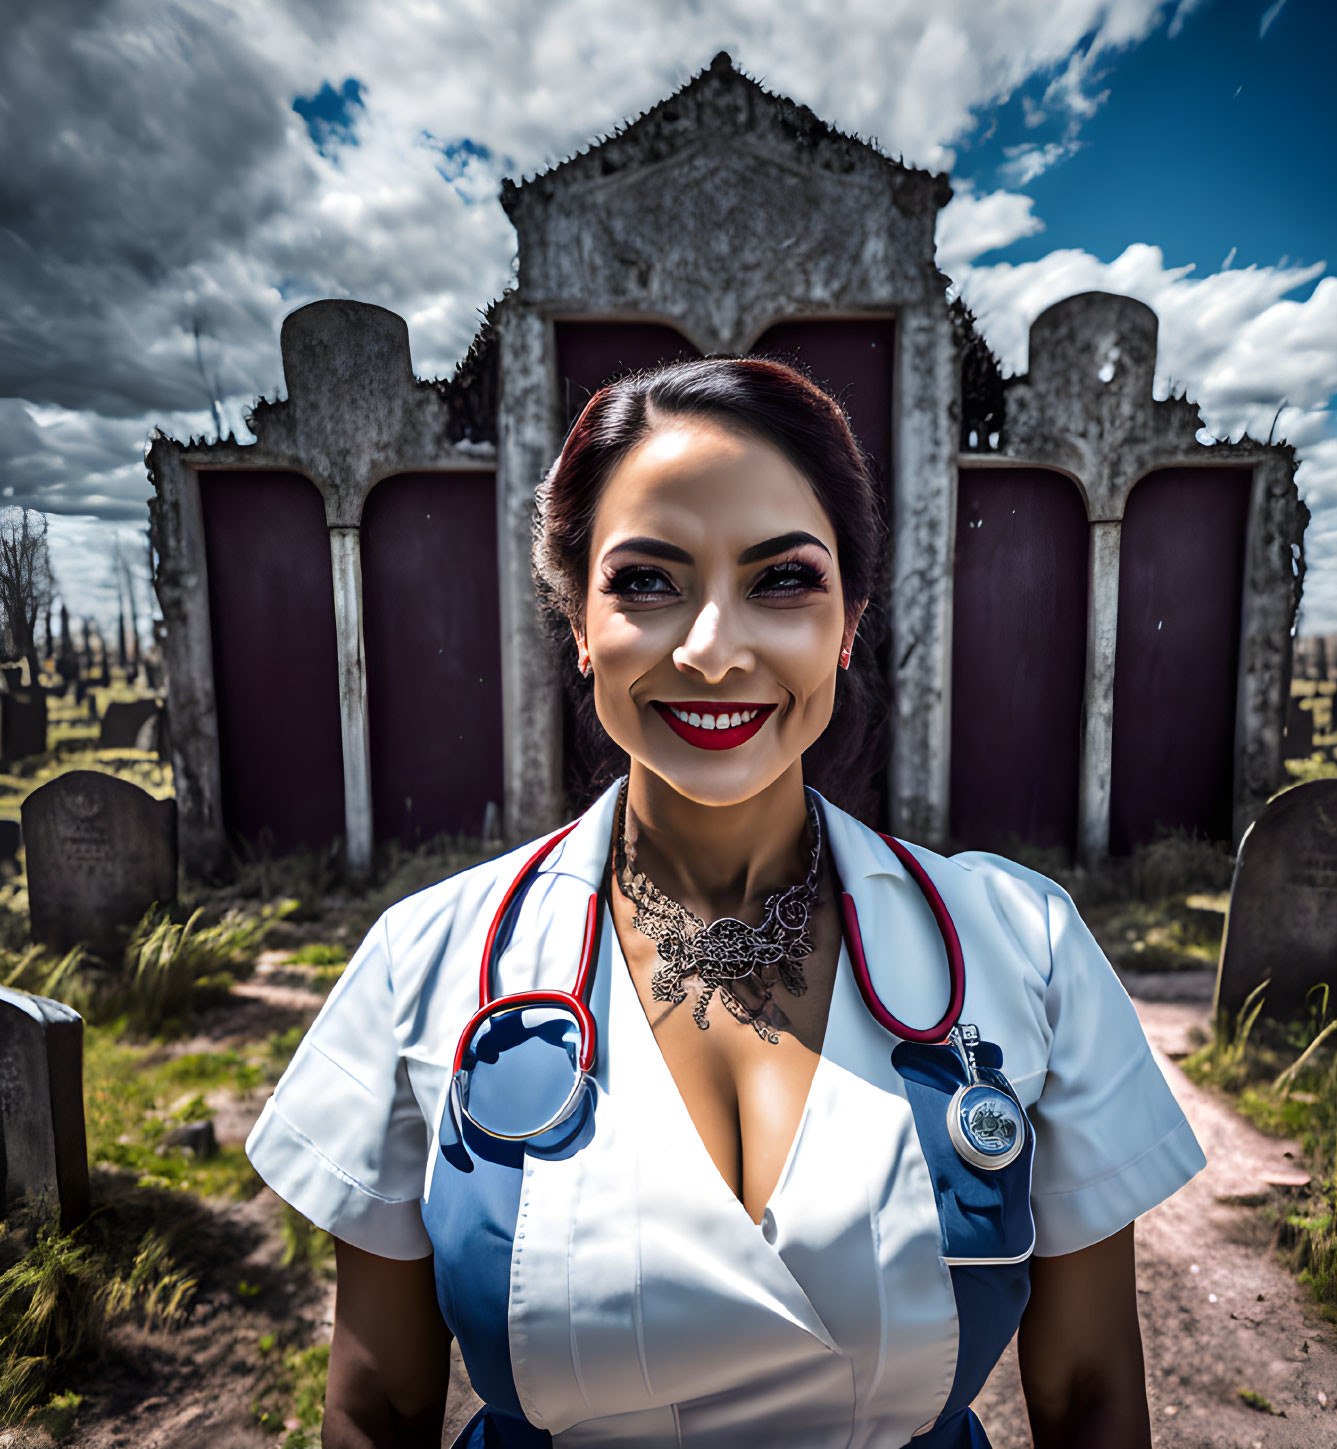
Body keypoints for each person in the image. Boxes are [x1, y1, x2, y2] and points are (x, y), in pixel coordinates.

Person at [246, 356, 1206, 1449]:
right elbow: (377, 1408)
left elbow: (1089, 1396)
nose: (710, 651)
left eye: (782, 580)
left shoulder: (1023, 948)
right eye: (647, 582)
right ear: (578, 624)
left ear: (849, 623)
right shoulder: (423, 962)